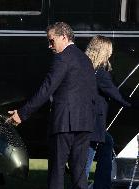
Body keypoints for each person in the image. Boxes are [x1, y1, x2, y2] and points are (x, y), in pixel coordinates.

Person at [7, 22, 97, 189]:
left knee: (57, 170)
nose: (50, 46)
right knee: (79, 173)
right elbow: (92, 93)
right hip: (85, 123)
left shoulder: (62, 58)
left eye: (52, 41)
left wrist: (22, 113)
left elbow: (47, 88)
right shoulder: (85, 59)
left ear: (64, 37)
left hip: (64, 123)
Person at [85, 35, 131, 189]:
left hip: (86, 123)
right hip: (91, 125)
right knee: (86, 161)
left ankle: (102, 184)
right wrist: (132, 103)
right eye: (109, 51)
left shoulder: (85, 69)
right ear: (103, 51)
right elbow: (117, 96)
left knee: (107, 143)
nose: (111, 54)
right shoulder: (100, 74)